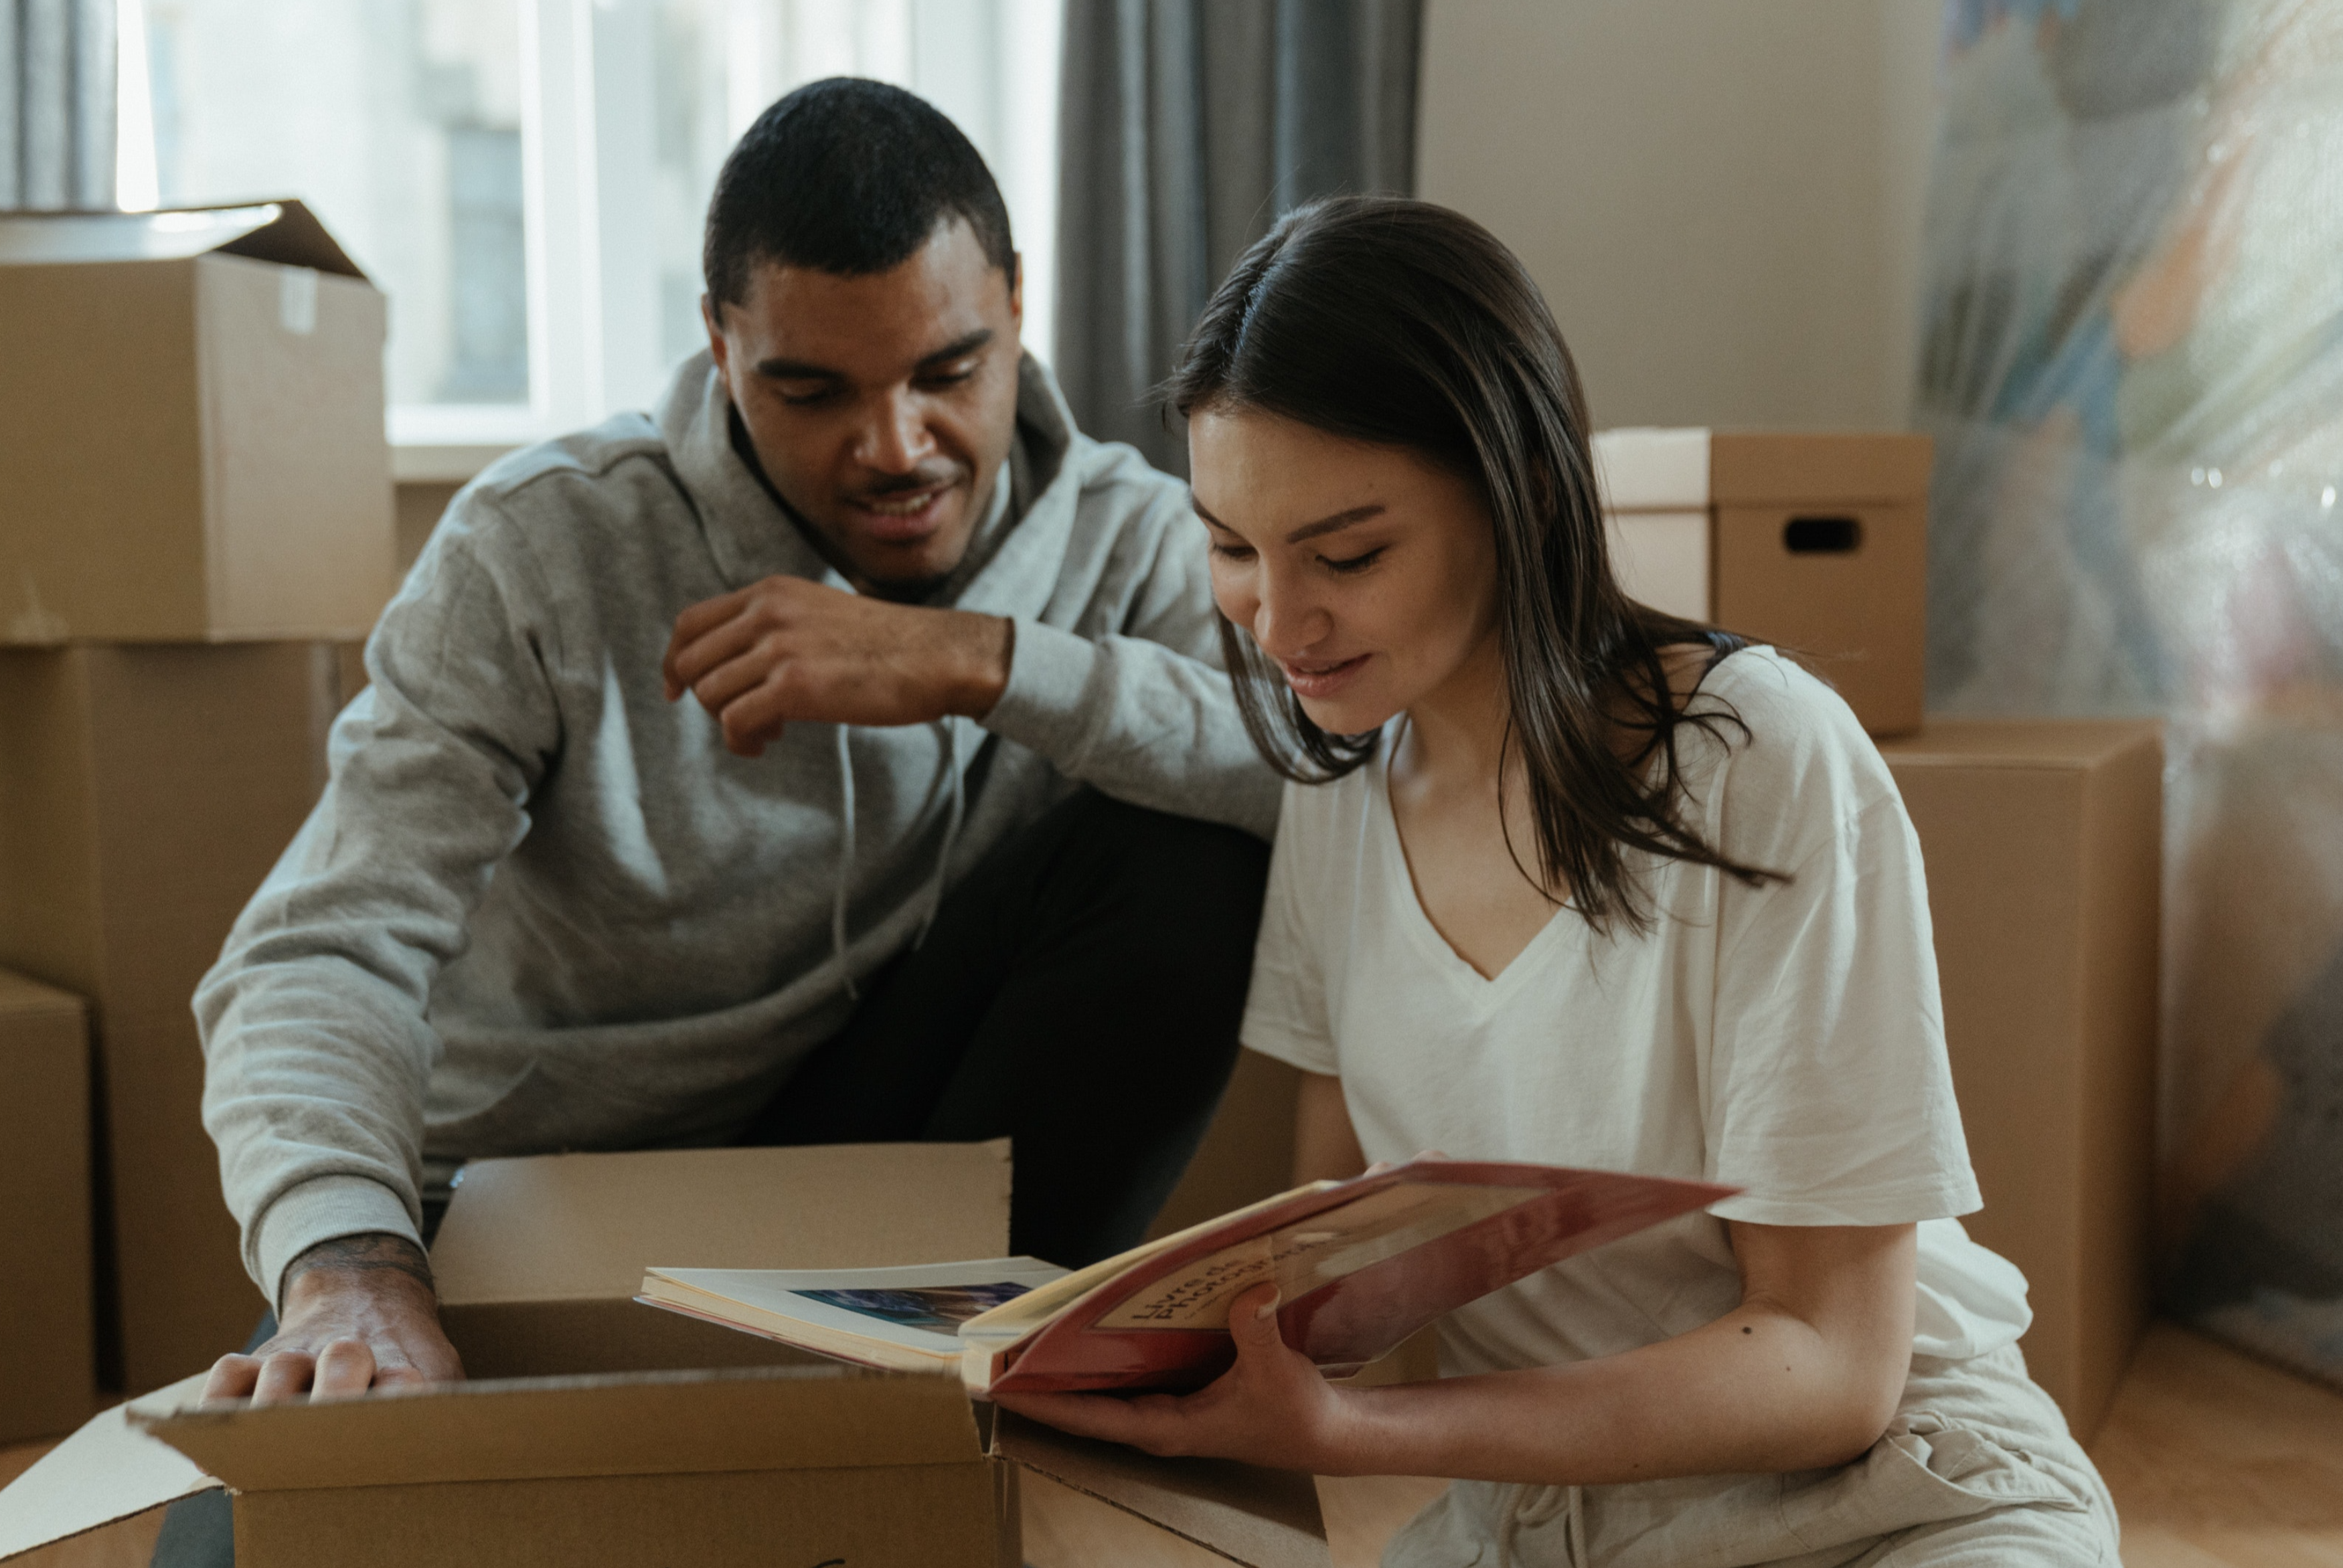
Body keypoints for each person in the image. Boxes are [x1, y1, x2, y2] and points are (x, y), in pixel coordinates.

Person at [993, 197, 2123, 1567]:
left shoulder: (1759, 756)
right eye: (1232, 547)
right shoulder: (1340, 795)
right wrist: (1113, 1360)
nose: (1280, 624)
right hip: (1544, 1524)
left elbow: (1831, 1366)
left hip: (1886, 1498)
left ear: (1520, 491)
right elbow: (1336, 1279)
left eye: (1347, 554)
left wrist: (1354, 1438)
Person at [179, 77, 1278, 1427]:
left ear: (1016, 305)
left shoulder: (1134, 538)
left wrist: (985, 663)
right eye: (810, 389)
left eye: (949, 371)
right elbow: (322, 946)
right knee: (260, 1534)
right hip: (534, 1186)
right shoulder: (541, 545)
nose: (896, 448)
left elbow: (1336, 783)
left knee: (1190, 851)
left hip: (880, 1161)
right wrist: (347, 1262)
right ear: (716, 340)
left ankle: (969, 1394)